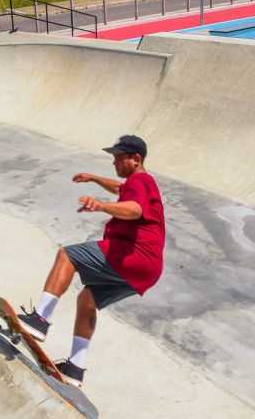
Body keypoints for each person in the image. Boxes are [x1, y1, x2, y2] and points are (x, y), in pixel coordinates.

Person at [18, 135, 165, 388]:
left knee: (68, 255)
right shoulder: (141, 182)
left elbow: (135, 209)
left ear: (136, 159)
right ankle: (75, 367)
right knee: (87, 299)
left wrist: (101, 206)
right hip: (148, 270)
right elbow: (121, 189)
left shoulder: (139, 180)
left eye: (119, 158)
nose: (115, 163)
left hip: (133, 253)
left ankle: (40, 319)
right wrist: (95, 178)